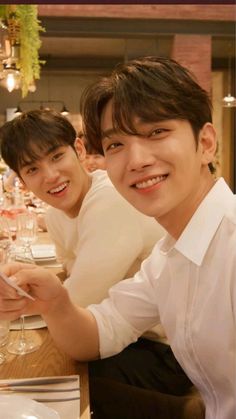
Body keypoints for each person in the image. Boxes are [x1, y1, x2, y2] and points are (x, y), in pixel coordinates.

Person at [0, 56, 234, 419]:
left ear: (205, 142)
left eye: (156, 132)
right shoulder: (168, 256)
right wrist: (55, 301)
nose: (137, 159)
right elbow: (99, 332)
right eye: (116, 145)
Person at [0, 109, 195, 405]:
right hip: (121, 334)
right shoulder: (55, 216)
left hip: (165, 352)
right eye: (32, 169)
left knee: (44, 380)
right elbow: (70, 279)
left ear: (78, 149)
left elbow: (77, 299)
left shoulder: (110, 200)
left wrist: (17, 299)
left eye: (56, 156)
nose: (51, 176)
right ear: (23, 182)